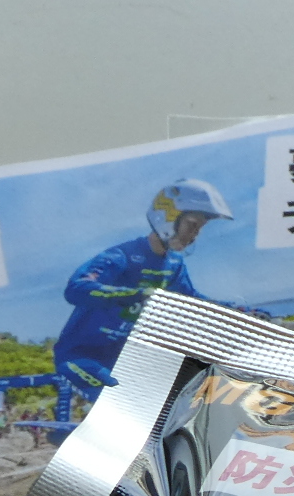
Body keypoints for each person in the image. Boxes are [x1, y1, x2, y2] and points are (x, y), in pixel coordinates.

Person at [52, 180, 237, 425]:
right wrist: (135, 294)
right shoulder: (122, 256)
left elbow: (191, 301)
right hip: (81, 358)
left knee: (183, 404)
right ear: (169, 217)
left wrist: (239, 311)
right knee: (124, 405)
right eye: (192, 225)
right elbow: (76, 288)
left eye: (200, 229)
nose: (194, 235)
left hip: (126, 362)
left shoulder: (174, 264)